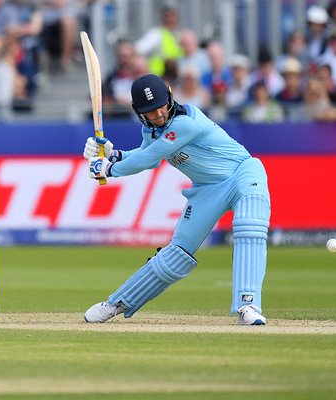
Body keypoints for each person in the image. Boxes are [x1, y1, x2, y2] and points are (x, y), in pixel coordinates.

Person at [83, 74, 271, 325]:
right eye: (150, 112)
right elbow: (147, 156)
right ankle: (116, 304)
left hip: (242, 173)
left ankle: (248, 306)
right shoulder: (151, 129)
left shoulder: (186, 123)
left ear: (171, 97)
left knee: (250, 227)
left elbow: (152, 154)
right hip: (206, 189)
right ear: (139, 113)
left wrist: (108, 169)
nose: (159, 115)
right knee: (175, 255)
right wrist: (115, 154)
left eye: (161, 106)